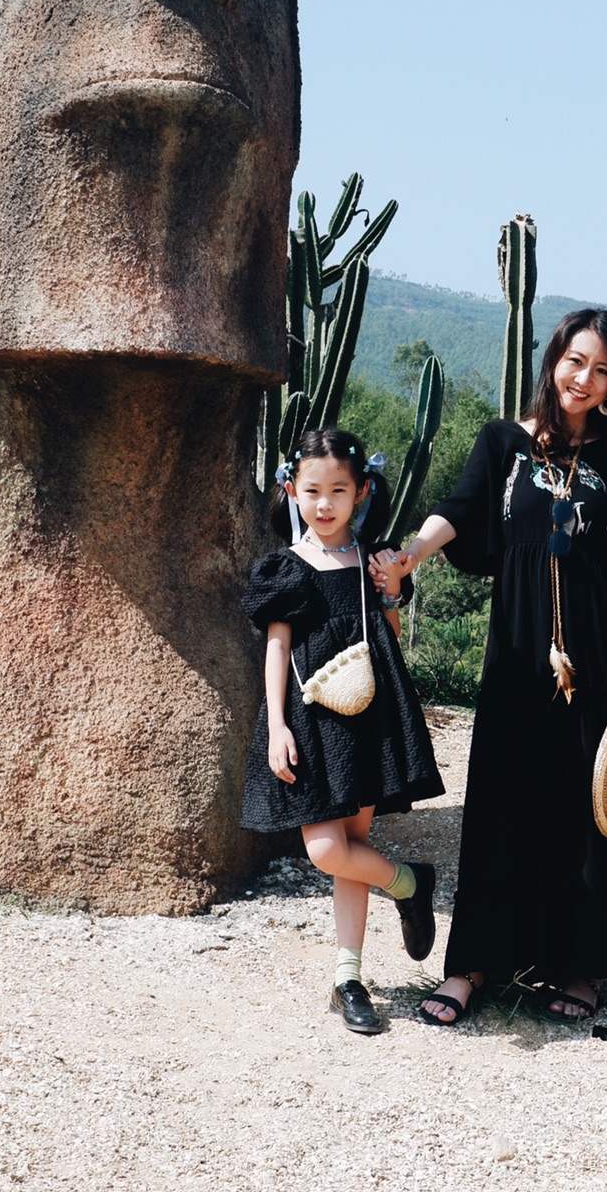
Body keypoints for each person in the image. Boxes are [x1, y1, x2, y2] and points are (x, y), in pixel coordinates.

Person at [377, 309, 607, 1026]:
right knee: (501, 799)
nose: (584, 379)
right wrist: (410, 556)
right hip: (517, 653)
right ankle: (473, 965)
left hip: (597, 655)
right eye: (576, 361)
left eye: (602, 370)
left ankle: (580, 964)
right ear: (553, 360)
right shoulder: (503, 442)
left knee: (588, 809)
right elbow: (458, 511)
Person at [240, 427, 445, 1034]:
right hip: (308, 719)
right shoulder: (285, 569)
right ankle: (409, 884)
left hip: (366, 716)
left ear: (361, 492)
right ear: (292, 491)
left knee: (351, 848)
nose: (324, 503)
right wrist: (277, 726)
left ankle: (348, 978)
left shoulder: (373, 562)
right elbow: (277, 650)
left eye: (338, 490)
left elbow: (389, 637)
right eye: (312, 490)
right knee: (327, 850)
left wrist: (392, 590)